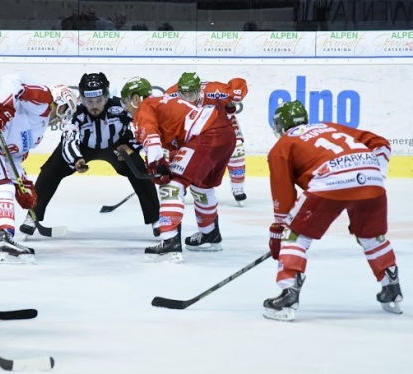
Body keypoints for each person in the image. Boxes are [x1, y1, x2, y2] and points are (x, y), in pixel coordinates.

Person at [264, 100, 402, 321]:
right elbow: (380, 143)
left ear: (280, 126)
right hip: (371, 179)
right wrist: (375, 172)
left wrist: (279, 229)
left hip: (330, 181)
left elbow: (283, 194)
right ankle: (391, 288)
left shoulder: (282, 146)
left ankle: (288, 292)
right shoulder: (330, 127)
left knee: (295, 236)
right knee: (371, 237)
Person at [20, 72, 160, 239]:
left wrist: (132, 147)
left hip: (118, 146)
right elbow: (68, 140)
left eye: (99, 100)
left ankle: (156, 219)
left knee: (139, 171)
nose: (94, 106)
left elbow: (142, 126)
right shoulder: (75, 113)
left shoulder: (120, 108)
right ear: (82, 99)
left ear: (106, 96)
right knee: (50, 170)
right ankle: (33, 215)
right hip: (83, 148)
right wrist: (76, 159)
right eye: (89, 101)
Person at [0, 74, 77, 264]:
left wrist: (24, 184)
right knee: (1, 187)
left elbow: (12, 158)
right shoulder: (44, 99)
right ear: (58, 100)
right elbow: (11, 80)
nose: (61, 116)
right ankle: (4, 239)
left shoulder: (38, 133)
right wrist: (5, 110)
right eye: (63, 109)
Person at [121, 76, 236, 262]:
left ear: (135, 99)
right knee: (202, 186)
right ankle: (209, 234)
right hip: (224, 133)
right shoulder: (162, 103)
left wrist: (156, 166)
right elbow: (176, 138)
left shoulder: (144, 107)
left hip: (207, 136)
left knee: (172, 186)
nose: (126, 108)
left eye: (126, 102)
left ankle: (169, 241)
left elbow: (151, 137)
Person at [167, 72, 249, 206]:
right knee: (174, 146)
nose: (188, 99)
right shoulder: (170, 94)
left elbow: (239, 84)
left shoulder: (214, 91)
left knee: (237, 147)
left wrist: (234, 99)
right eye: (184, 94)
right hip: (192, 123)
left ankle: (238, 187)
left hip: (222, 121)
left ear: (199, 90)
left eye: (191, 94)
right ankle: (178, 181)